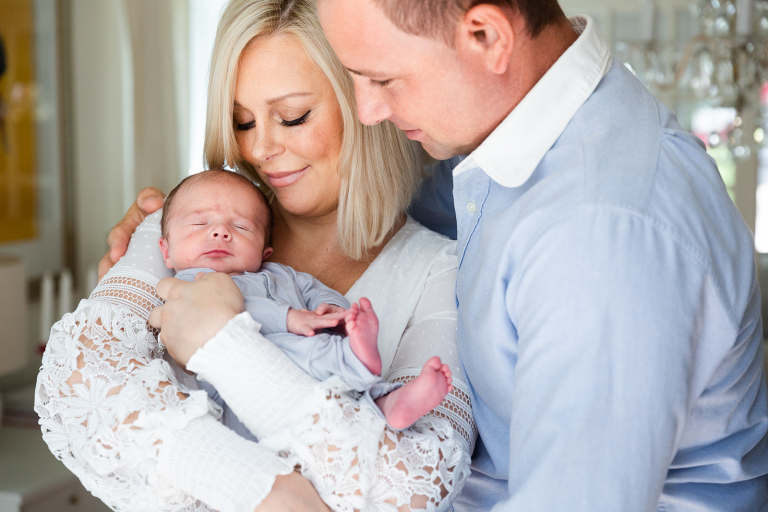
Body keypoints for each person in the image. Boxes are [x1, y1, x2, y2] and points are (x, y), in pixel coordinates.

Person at [312, 0, 768, 511]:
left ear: (487, 37)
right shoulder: (503, 127)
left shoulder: (596, 239)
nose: (366, 111)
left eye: (383, 80)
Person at [34, 1, 475, 511]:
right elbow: (80, 383)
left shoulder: (440, 270)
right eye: (243, 122)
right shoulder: (195, 222)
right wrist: (269, 491)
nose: (260, 148)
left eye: (292, 117)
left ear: (367, 102)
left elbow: (413, 487)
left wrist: (223, 347)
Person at [160, 168, 455, 431]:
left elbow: (312, 289)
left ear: (265, 251)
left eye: (241, 227)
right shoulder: (189, 283)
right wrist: (287, 318)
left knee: (332, 372)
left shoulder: (280, 274)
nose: (220, 231)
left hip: (313, 387)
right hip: (249, 392)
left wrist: (333, 310)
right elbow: (224, 316)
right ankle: (356, 364)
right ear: (166, 250)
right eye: (200, 224)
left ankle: (385, 404)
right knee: (303, 348)